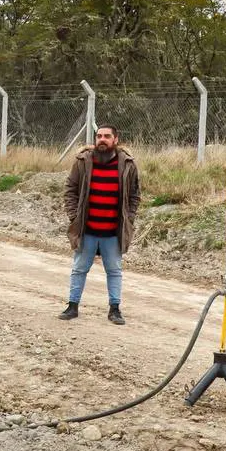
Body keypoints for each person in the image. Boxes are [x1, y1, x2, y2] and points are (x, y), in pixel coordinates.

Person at [59, 125, 141, 325]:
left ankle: (115, 309)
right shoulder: (83, 161)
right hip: (87, 230)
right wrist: (74, 216)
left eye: (107, 136)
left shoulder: (128, 164)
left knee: (114, 271)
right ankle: (72, 306)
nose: (102, 140)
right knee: (79, 269)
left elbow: (134, 195)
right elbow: (70, 190)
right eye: (99, 136)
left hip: (113, 232)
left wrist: (128, 219)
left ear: (115, 139)